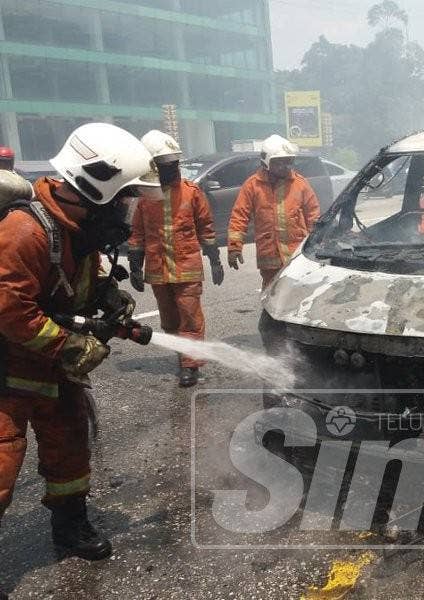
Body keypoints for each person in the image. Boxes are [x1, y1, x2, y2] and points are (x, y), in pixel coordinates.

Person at [0, 123, 157, 565]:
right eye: (125, 196)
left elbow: (71, 286)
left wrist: (108, 300)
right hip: (8, 373)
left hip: (52, 375)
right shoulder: (25, 231)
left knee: (70, 451)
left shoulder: (75, 231)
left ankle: (70, 527)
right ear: (95, 184)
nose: (126, 208)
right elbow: (10, 309)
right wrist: (71, 347)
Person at [128, 130, 223, 388]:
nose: (171, 169)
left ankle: (189, 366)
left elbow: (206, 227)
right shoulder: (146, 197)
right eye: (165, 165)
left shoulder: (192, 193)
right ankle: (183, 353)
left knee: (190, 317)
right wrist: (135, 265)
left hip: (187, 267)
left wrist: (215, 259)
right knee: (169, 319)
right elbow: (137, 232)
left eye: (173, 164)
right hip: (159, 269)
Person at [227, 135, 320, 289]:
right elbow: (239, 217)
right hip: (269, 256)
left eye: (288, 161)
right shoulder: (253, 186)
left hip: (296, 254)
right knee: (271, 296)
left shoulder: (300, 184)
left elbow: (314, 216)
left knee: (297, 295)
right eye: (279, 162)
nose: (285, 166)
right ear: (266, 162)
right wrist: (234, 247)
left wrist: (318, 245)